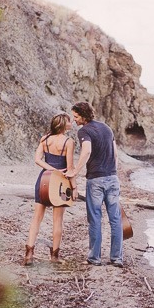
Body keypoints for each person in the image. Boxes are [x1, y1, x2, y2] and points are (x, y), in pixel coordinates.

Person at [65, 101, 123, 267]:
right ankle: (116, 258)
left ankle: (94, 258)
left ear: (84, 116)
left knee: (95, 219)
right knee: (115, 219)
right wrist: (112, 171)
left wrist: (75, 171)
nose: (74, 120)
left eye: (76, 117)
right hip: (112, 178)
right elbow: (116, 154)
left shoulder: (85, 131)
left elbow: (87, 150)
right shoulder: (106, 127)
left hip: (95, 180)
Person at [24, 113, 75, 265]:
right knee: (57, 220)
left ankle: (29, 254)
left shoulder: (45, 139)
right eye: (69, 121)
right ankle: (54, 257)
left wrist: (50, 169)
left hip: (43, 179)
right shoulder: (68, 141)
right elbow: (70, 168)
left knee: (36, 218)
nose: (71, 123)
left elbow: (37, 159)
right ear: (64, 124)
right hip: (60, 182)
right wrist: (74, 187)